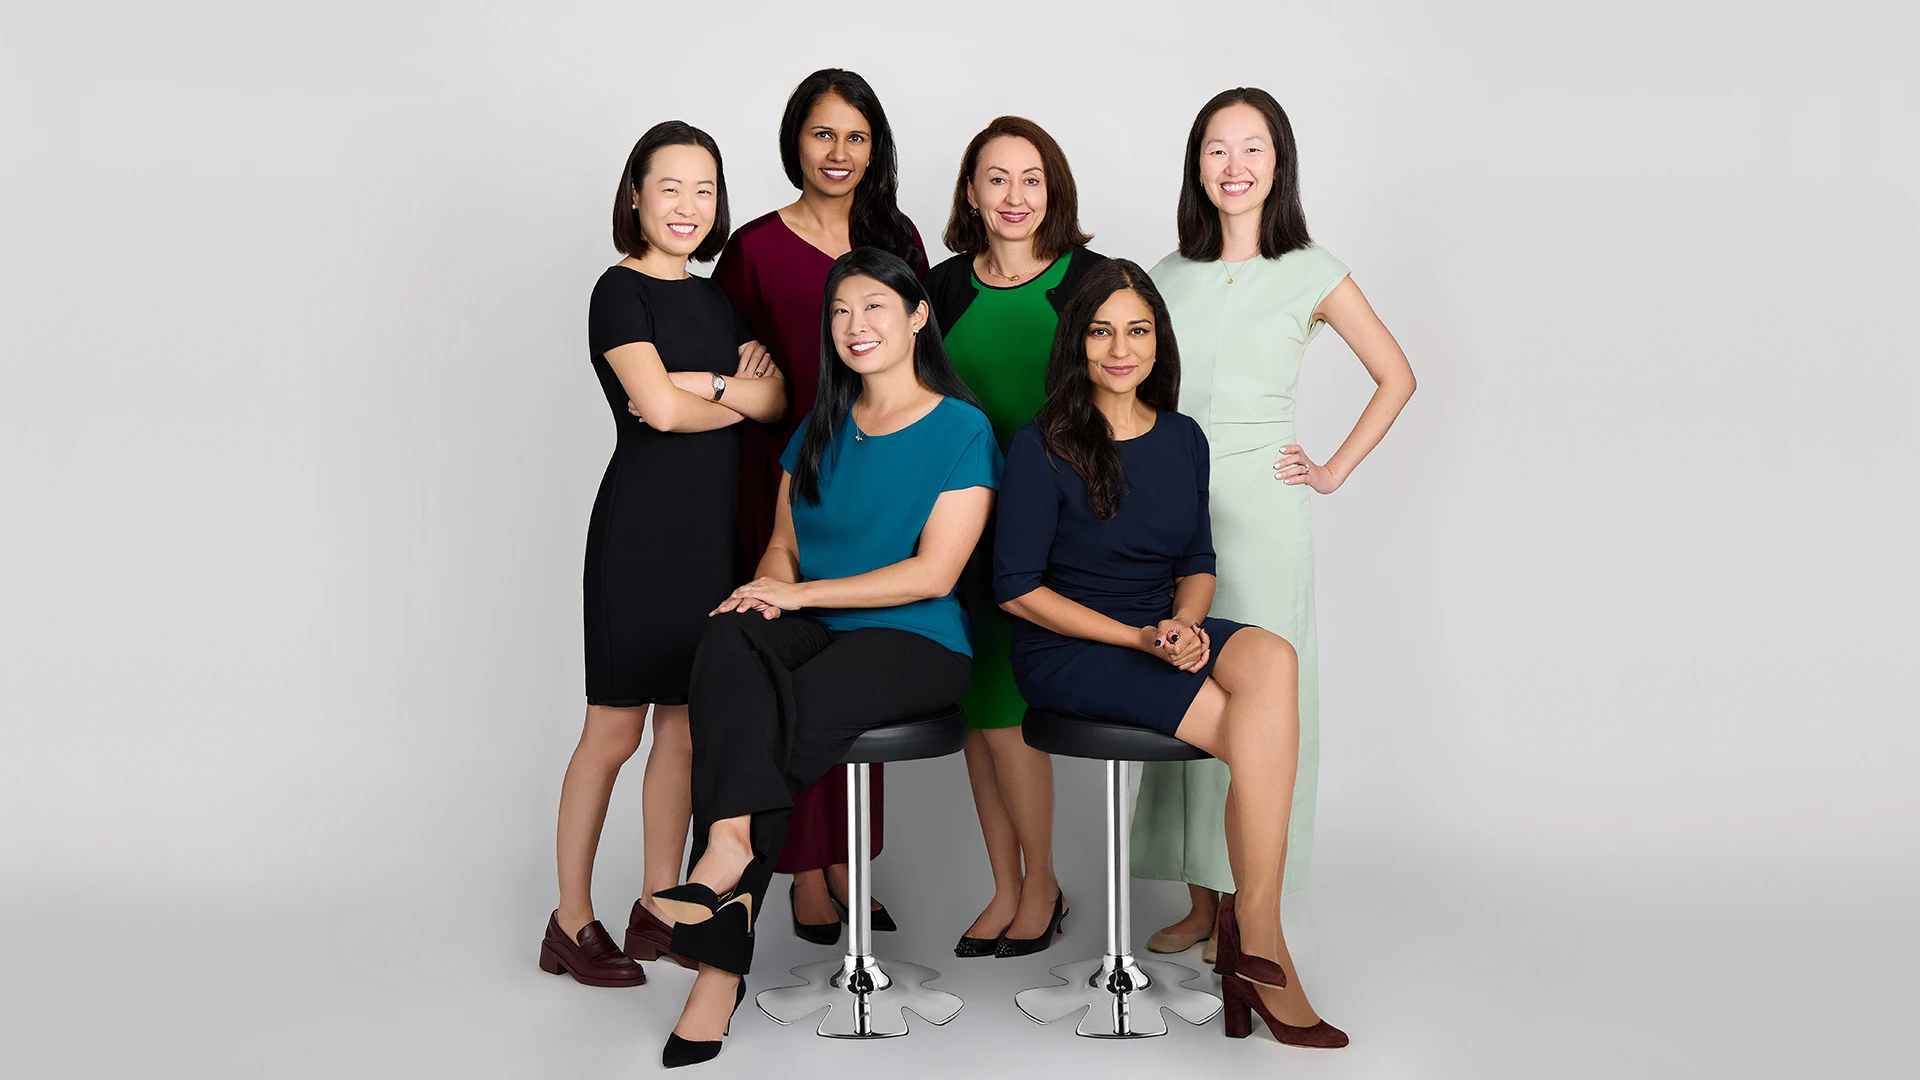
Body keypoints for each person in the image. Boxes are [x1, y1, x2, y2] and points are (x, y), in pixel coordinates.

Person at [653, 248, 999, 1068]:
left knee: (780, 716)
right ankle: (730, 844)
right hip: (821, 622)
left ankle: (716, 971)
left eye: (875, 307)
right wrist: (769, 590)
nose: (855, 326)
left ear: (917, 317)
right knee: (728, 634)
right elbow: (781, 547)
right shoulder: (820, 424)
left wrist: (802, 596)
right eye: (840, 312)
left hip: (917, 640)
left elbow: (934, 573)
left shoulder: (964, 428)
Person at [994, 258, 1348, 1048]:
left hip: (1161, 630)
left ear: (1160, 342)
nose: (1121, 347)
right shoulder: (1041, 444)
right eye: (1101, 330)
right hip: (1071, 646)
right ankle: (1259, 947)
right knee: (1237, 720)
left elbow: (1197, 561)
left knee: (1273, 660)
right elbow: (1016, 588)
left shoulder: (1184, 437)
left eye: (1139, 330)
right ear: (1077, 343)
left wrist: (1187, 624)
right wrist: (1138, 638)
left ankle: (1251, 919)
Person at [1131, 87, 1416, 962]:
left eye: (1253, 149)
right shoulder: (1166, 273)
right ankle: (1198, 901)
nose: (1235, 166)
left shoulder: (1312, 269)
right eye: (1218, 149)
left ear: (1278, 163)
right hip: (1172, 495)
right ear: (1197, 164)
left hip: (1262, 507)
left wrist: (1329, 470)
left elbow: (1396, 375)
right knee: (1184, 682)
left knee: (1265, 703)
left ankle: (1251, 909)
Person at [540, 122, 786, 986]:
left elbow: (777, 396)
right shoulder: (619, 293)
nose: (689, 206)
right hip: (638, 540)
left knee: (683, 731)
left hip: (712, 540)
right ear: (636, 195)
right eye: (671, 187)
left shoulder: (717, 301)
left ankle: (657, 901)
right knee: (612, 732)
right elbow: (661, 414)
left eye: (705, 190)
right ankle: (571, 921)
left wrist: (707, 389)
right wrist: (723, 396)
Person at [712, 69, 929, 941]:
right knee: (787, 668)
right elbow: (729, 363)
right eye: (822, 134)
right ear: (794, 142)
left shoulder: (898, 237)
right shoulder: (757, 249)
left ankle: (849, 859)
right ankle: (802, 874)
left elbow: (921, 359)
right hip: (784, 482)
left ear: (876, 148)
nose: (839, 153)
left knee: (859, 671)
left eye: (857, 136)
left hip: (880, 482)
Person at [923, 115, 1107, 958]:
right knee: (976, 713)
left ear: (1054, 189)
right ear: (970, 191)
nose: (1014, 196)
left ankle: (1044, 886)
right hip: (961, 529)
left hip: (1055, 533)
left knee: (1010, 717)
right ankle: (1005, 886)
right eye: (996, 178)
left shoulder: (1092, 282)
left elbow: (1131, 400)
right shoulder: (942, 291)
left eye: (1031, 178)